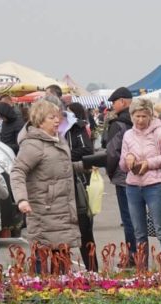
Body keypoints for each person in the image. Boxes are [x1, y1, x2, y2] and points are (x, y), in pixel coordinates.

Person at [11, 99, 101, 273]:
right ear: (39, 120)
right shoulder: (33, 144)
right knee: (44, 265)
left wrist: (85, 165)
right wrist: (21, 199)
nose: (57, 120)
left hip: (62, 211)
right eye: (51, 117)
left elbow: (61, 166)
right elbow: (17, 172)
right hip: (44, 212)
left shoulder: (57, 139)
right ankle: (42, 297)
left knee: (62, 265)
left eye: (58, 116)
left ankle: (60, 297)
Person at [119, 97, 161, 271]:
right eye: (137, 116)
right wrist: (128, 159)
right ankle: (142, 271)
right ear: (131, 116)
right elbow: (122, 165)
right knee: (139, 232)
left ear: (150, 116)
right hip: (133, 186)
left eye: (144, 116)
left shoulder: (159, 132)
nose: (140, 120)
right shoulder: (128, 135)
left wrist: (149, 163)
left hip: (154, 185)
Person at [104, 87, 136, 262]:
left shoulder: (118, 124)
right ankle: (141, 253)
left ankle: (132, 255)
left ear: (123, 101)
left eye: (114, 102)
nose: (113, 105)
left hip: (123, 176)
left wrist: (110, 173)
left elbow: (112, 153)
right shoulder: (140, 119)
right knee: (137, 217)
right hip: (140, 175)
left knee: (128, 217)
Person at [66, 101, 98, 271]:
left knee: (85, 231)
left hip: (78, 184)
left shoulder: (77, 128)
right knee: (59, 236)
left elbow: (87, 150)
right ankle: (60, 277)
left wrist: (63, 155)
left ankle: (93, 271)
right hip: (54, 191)